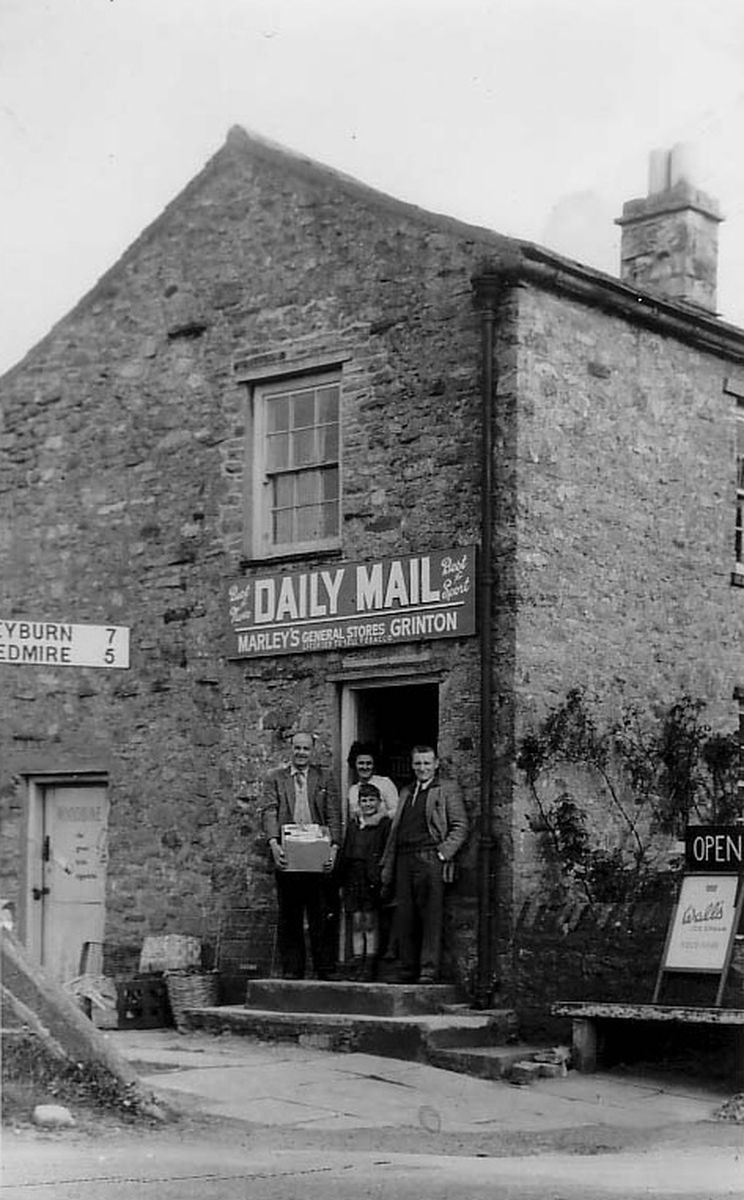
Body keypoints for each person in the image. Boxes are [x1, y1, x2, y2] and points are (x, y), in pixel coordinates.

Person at [380, 744, 468, 985]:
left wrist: (442, 855)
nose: (422, 768)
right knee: (404, 915)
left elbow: (460, 827)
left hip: (430, 857)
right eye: (418, 763)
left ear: (436, 764)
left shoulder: (446, 789)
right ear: (412, 765)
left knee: (430, 915)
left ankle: (428, 969)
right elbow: (396, 830)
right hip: (404, 857)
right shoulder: (407, 791)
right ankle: (407, 968)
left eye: (427, 763)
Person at [262, 731, 342, 980]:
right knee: (290, 915)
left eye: (306, 749)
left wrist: (334, 849)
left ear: (312, 751)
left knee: (321, 914)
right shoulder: (276, 778)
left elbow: (333, 815)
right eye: (297, 748)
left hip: (317, 853)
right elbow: (269, 811)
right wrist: (274, 845)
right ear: (291, 749)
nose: (301, 753)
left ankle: (324, 968)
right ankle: (293, 969)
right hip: (289, 853)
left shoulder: (324, 777)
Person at [339, 782, 392, 981]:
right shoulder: (354, 825)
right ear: (358, 803)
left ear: (378, 802)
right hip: (354, 876)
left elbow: (386, 851)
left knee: (369, 921)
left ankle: (369, 964)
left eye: (371, 800)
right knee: (356, 920)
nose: (368, 804)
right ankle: (357, 962)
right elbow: (347, 851)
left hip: (371, 877)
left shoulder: (383, 825)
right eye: (364, 800)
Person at [346, 742, 398, 820]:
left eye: (369, 763)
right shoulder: (353, 790)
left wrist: (381, 816)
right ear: (354, 764)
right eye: (361, 763)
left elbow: (397, 811)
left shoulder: (385, 783)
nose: (365, 767)